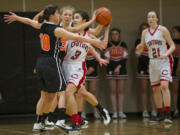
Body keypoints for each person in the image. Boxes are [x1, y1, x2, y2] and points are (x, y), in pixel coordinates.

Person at [4, 5, 108, 132]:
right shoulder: (57, 29)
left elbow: (30, 21)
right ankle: (61, 120)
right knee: (62, 91)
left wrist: (16, 17)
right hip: (53, 62)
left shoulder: (42, 26)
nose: (61, 15)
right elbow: (77, 37)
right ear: (53, 15)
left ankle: (40, 122)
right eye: (59, 13)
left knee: (47, 96)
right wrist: (94, 41)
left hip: (42, 61)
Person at [62, 10, 111, 130]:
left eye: (77, 17)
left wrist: (105, 26)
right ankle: (101, 110)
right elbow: (89, 42)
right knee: (81, 93)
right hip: (64, 65)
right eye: (73, 17)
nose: (74, 19)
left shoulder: (88, 33)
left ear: (84, 20)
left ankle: (76, 123)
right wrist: (95, 21)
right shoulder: (68, 29)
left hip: (78, 67)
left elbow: (99, 45)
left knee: (69, 92)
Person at [136, 11, 175, 123]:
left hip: (164, 61)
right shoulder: (144, 32)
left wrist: (166, 54)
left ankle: (168, 113)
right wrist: (139, 48)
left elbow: (172, 45)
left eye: (153, 17)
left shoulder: (163, 29)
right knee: (155, 89)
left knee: (164, 86)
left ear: (157, 19)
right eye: (149, 17)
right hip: (152, 62)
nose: (151, 19)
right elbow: (142, 47)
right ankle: (160, 113)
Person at [104, 28, 128, 119]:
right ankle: (114, 112)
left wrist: (118, 67)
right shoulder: (107, 45)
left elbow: (125, 58)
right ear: (110, 35)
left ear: (119, 35)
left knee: (121, 91)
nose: (114, 35)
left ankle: (121, 111)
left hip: (121, 69)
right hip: (110, 69)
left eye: (116, 34)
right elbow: (107, 59)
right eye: (113, 34)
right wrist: (114, 68)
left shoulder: (123, 44)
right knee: (113, 91)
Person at [135, 23, 157, 118]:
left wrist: (151, 65)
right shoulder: (138, 41)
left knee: (154, 90)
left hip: (153, 66)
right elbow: (138, 55)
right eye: (142, 29)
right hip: (142, 67)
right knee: (144, 90)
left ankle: (154, 110)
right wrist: (147, 65)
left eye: (145, 28)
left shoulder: (154, 40)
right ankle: (144, 110)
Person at [171, 25, 180, 118]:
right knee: (174, 90)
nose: (172, 34)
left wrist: (179, 67)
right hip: (173, 67)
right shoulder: (170, 42)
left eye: (174, 32)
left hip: (178, 66)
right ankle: (175, 110)